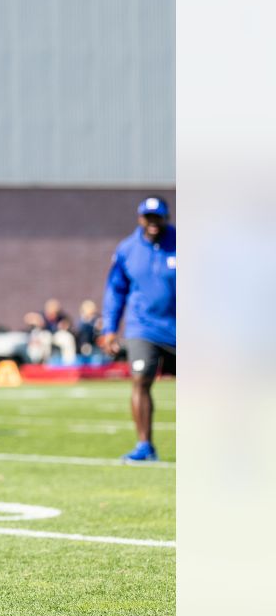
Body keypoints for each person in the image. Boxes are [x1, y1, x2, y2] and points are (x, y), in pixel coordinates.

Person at [99, 196, 176, 463]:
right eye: (148, 217)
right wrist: (109, 328)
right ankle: (144, 445)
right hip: (143, 327)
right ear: (140, 218)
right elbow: (115, 291)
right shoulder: (127, 249)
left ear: (166, 217)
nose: (153, 223)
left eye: (158, 217)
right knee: (141, 379)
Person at [24, 299, 77, 364]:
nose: (52, 315)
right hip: (44, 336)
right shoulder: (41, 315)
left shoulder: (61, 317)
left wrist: (65, 325)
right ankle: (45, 362)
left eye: (55, 313)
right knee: (45, 338)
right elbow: (28, 318)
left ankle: (69, 363)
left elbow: (69, 323)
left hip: (55, 335)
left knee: (67, 338)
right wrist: (36, 320)